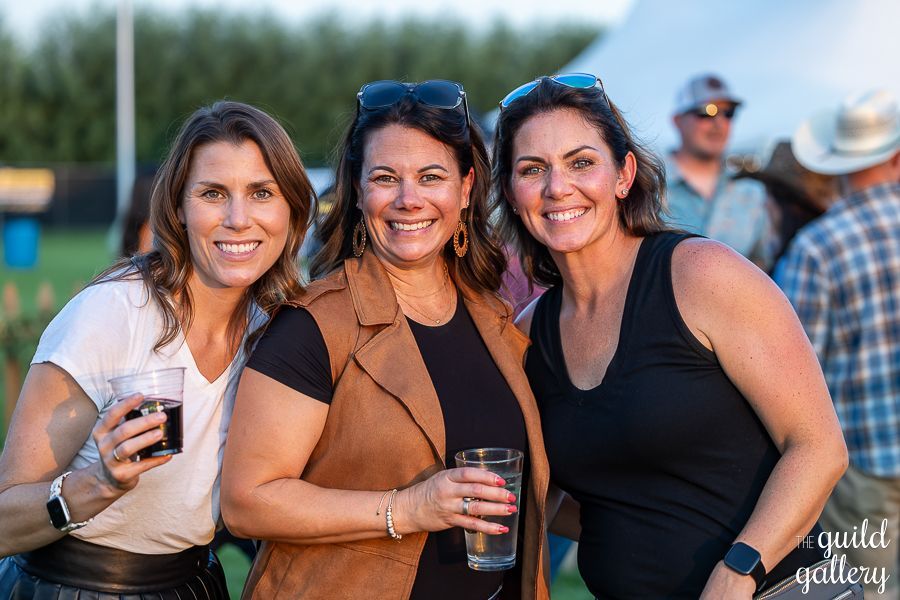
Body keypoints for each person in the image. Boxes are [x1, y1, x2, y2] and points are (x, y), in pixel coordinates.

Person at [492, 73, 848, 599]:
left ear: (624, 174)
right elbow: (585, 499)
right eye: (532, 169)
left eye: (581, 162)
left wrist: (738, 572)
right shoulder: (530, 335)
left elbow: (819, 449)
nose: (557, 187)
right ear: (511, 191)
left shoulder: (701, 276)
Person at [221, 79, 550, 600]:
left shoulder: (496, 320)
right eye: (385, 177)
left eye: (431, 176)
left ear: (466, 190)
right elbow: (246, 503)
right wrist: (409, 508)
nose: (408, 199)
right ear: (358, 189)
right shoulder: (311, 327)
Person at [0, 100, 314, 598]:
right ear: (179, 209)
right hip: (71, 588)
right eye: (213, 193)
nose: (238, 218)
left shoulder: (277, 329)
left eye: (261, 193)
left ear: (292, 210)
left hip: (192, 585)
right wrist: (98, 484)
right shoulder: (112, 314)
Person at [775, 89, 900, 599]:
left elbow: (793, 374)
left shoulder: (818, 246)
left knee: (869, 593)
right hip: (869, 459)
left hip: (863, 463)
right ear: (895, 155)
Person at [665, 73, 777, 270]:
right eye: (706, 111)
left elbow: (762, 271)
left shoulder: (751, 194)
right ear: (677, 120)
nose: (718, 123)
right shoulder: (646, 186)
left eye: (729, 113)